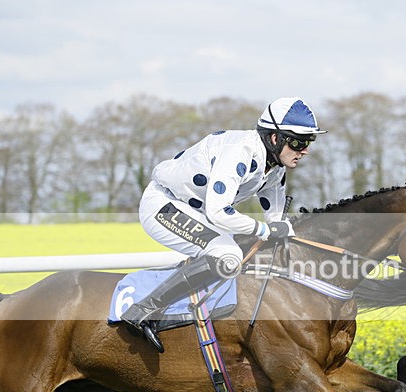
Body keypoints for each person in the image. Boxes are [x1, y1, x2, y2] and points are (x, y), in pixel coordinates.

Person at [120, 97, 327, 351]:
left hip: (198, 211)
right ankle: (144, 310)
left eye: (309, 142)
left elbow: (276, 222)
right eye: (298, 142)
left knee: (248, 246)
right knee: (227, 255)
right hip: (164, 204)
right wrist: (265, 229)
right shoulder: (239, 152)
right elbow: (220, 213)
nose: (304, 150)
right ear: (275, 138)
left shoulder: (275, 168)